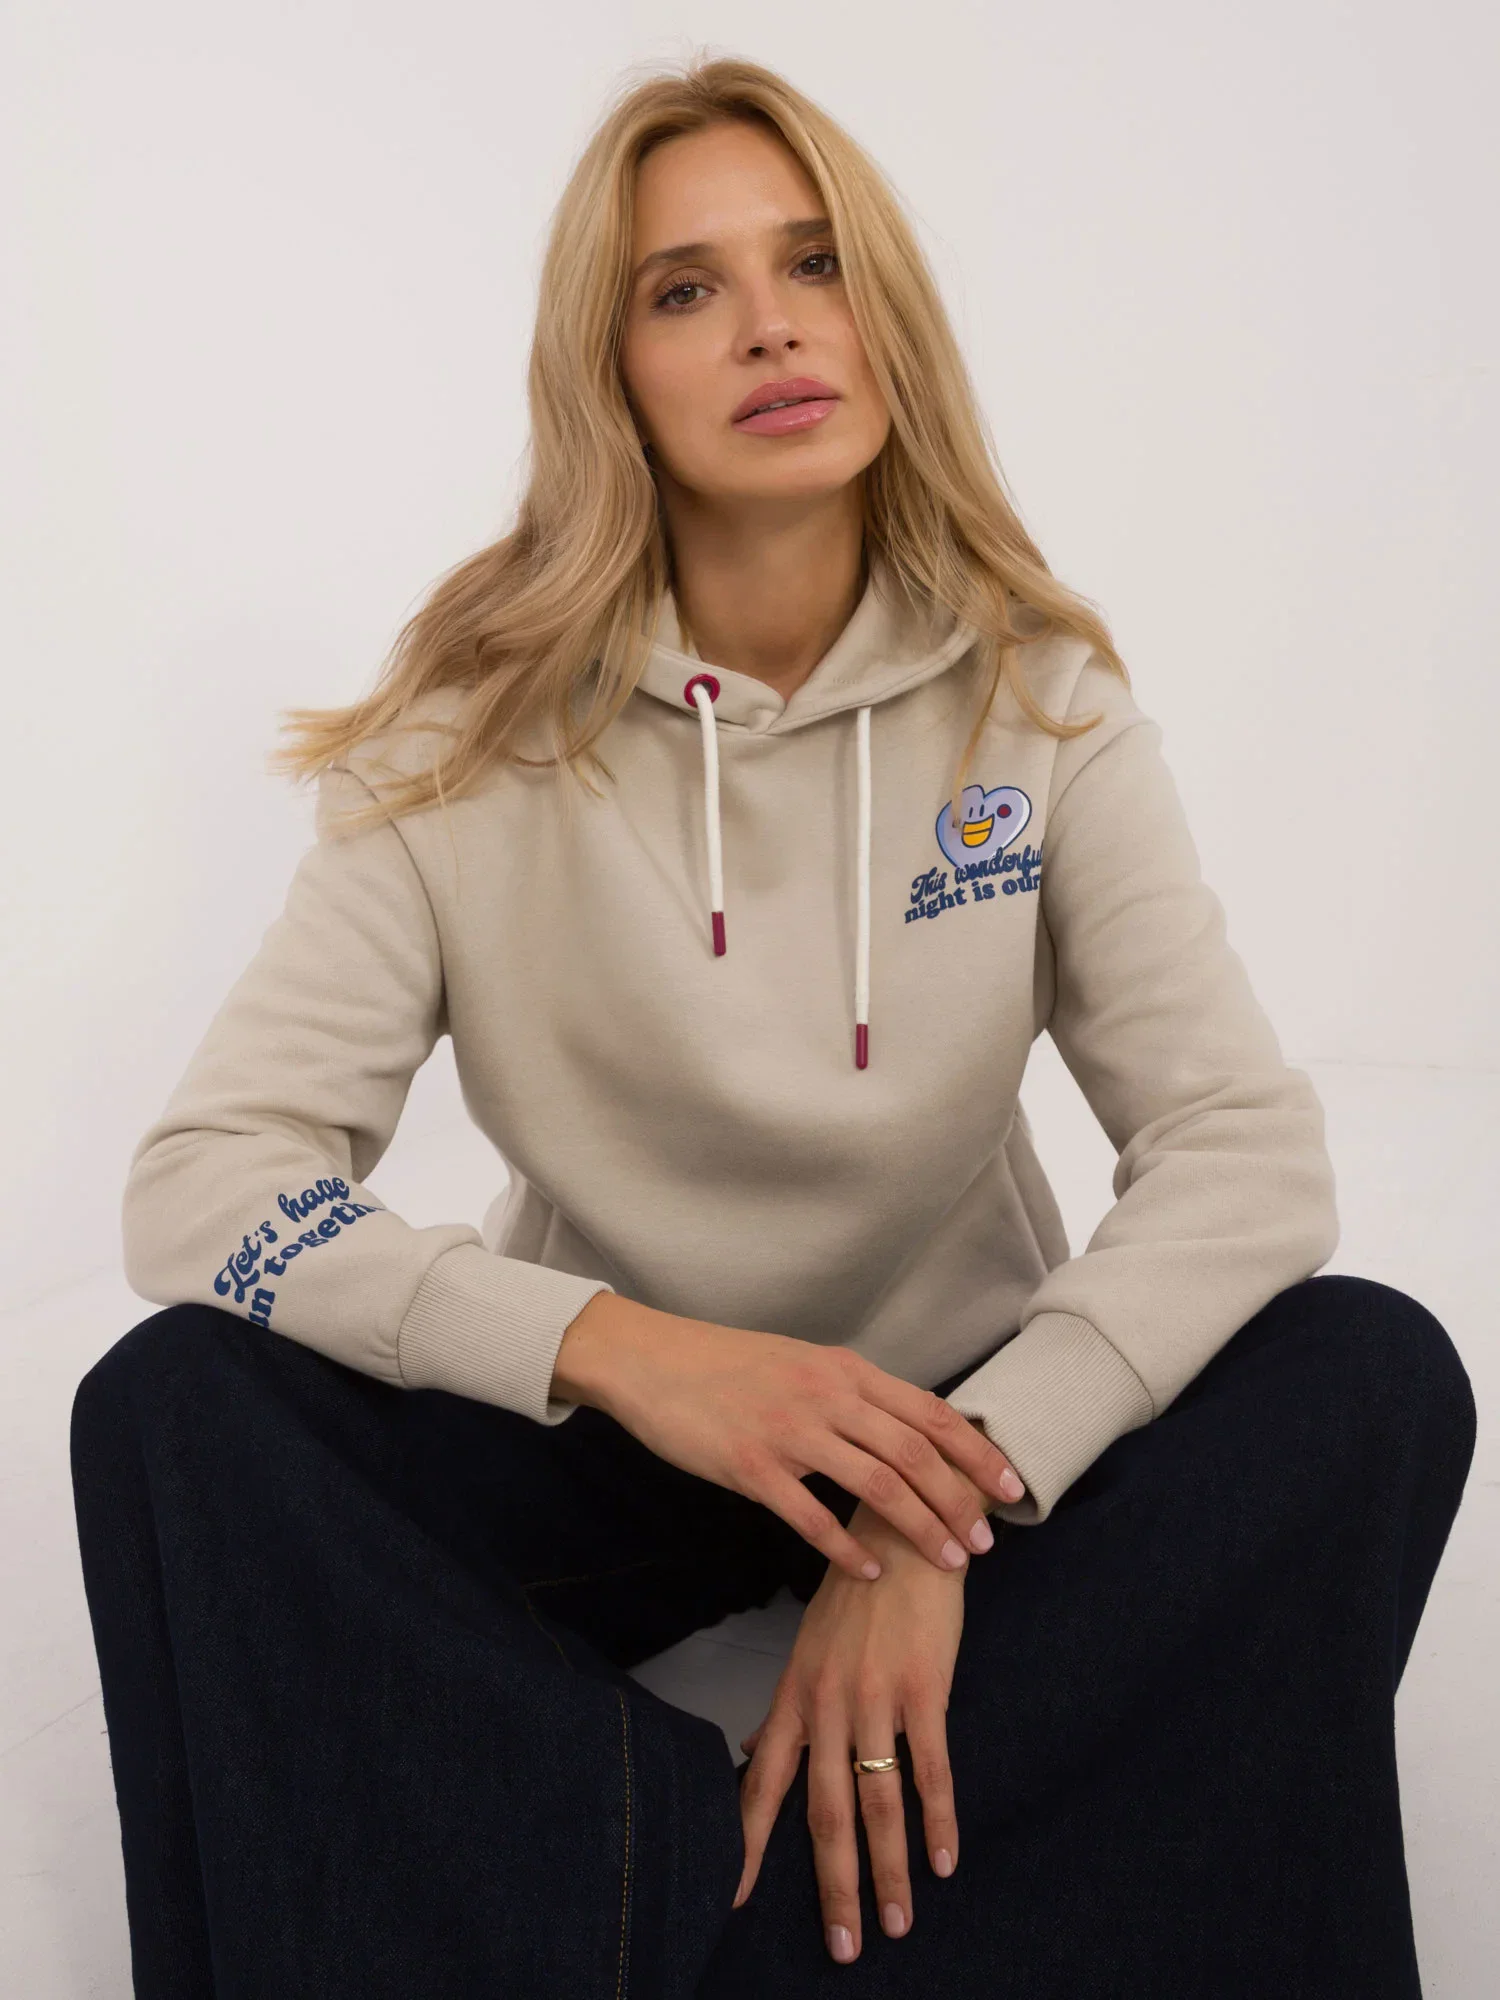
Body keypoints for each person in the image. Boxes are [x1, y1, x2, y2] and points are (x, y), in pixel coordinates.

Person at [70, 53, 1475, 1999]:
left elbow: (1244, 1150)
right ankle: (675, 1886)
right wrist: (631, 1355)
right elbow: (208, 1183)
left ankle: (651, 1932)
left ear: (883, 314)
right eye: (687, 287)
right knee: (169, 1414)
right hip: (623, 1438)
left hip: (954, 1428)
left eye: (814, 263)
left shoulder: (1040, 705)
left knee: (1372, 1374)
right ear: (612, 373)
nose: (770, 325)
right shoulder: (458, 749)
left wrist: (941, 1513)